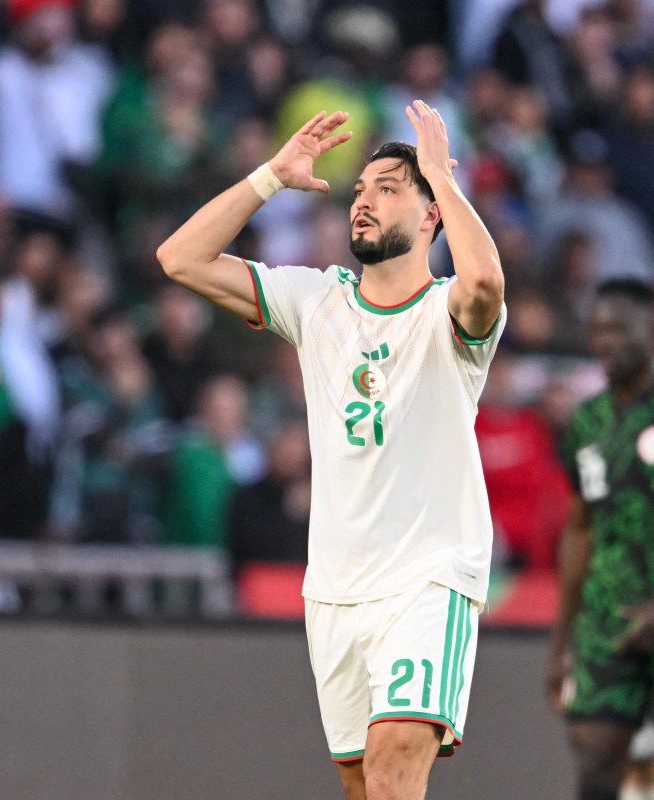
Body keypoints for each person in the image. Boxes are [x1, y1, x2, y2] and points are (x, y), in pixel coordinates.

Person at [158, 101, 506, 799]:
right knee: (363, 787)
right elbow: (180, 259)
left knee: (393, 771)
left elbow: (486, 284)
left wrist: (442, 175)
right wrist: (270, 177)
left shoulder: (447, 314)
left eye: (389, 188)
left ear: (431, 215)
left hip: (429, 578)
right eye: (359, 190)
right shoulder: (316, 299)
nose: (364, 201)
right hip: (335, 588)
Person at [548, 278, 654, 800]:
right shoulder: (587, 423)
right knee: (593, 763)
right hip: (608, 619)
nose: (603, 342)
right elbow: (580, 528)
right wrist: (561, 643)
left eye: (617, 328)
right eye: (596, 330)